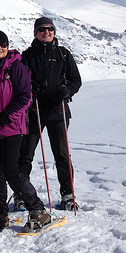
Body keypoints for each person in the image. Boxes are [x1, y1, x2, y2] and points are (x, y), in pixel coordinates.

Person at [0, 30, 50, 233]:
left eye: (2, 44)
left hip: (11, 128)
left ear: (7, 45)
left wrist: (4, 117)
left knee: (12, 171)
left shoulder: (16, 66)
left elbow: (25, 97)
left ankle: (38, 209)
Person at [21, 17, 82, 211]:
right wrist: (29, 88)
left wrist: (67, 91)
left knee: (62, 154)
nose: (46, 32)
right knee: (25, 154)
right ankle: (21, 193)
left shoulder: (63, 54)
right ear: (35, 33)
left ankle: (68, 194)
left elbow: (76, 80)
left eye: (50, 29)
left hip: (57, 109)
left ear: (54, 32)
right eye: (42, 29)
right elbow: (18, 81)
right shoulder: (27, 56)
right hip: (34, 110)